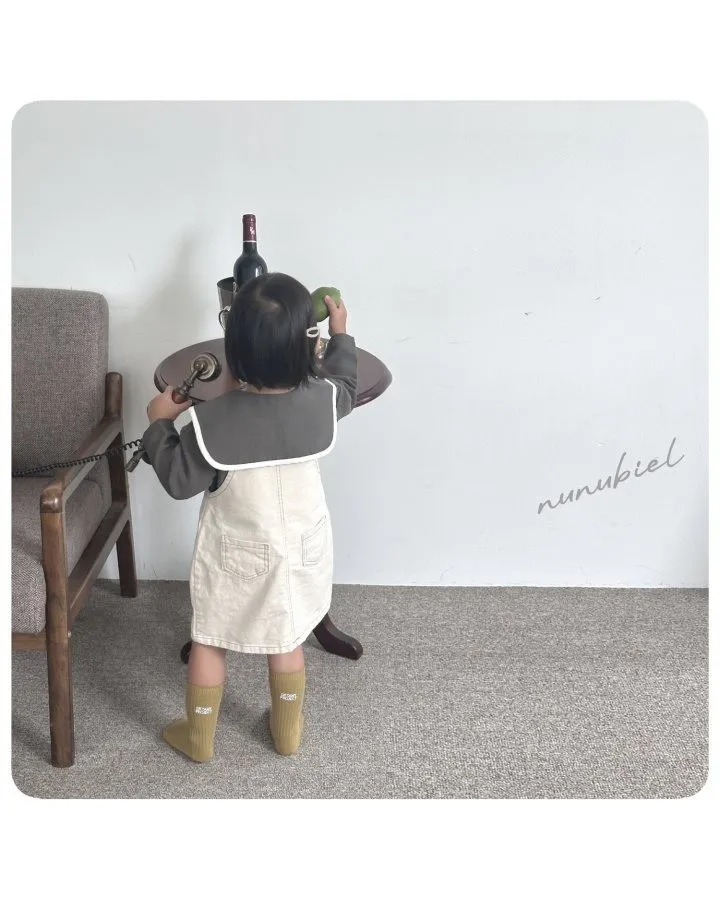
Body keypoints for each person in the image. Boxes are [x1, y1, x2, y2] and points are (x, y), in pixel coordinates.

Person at [142, 273, 357, 761]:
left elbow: (178, 479)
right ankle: (286, 732)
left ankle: (198, 739)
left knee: (210, 639)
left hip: (234, 555)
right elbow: (346, 381)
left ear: (233, 352)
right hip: (303, 548)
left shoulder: (211, 422)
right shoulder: (324, 399)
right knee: (287, 635)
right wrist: (341, 335)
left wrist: (158, 424)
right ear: (309, 348)